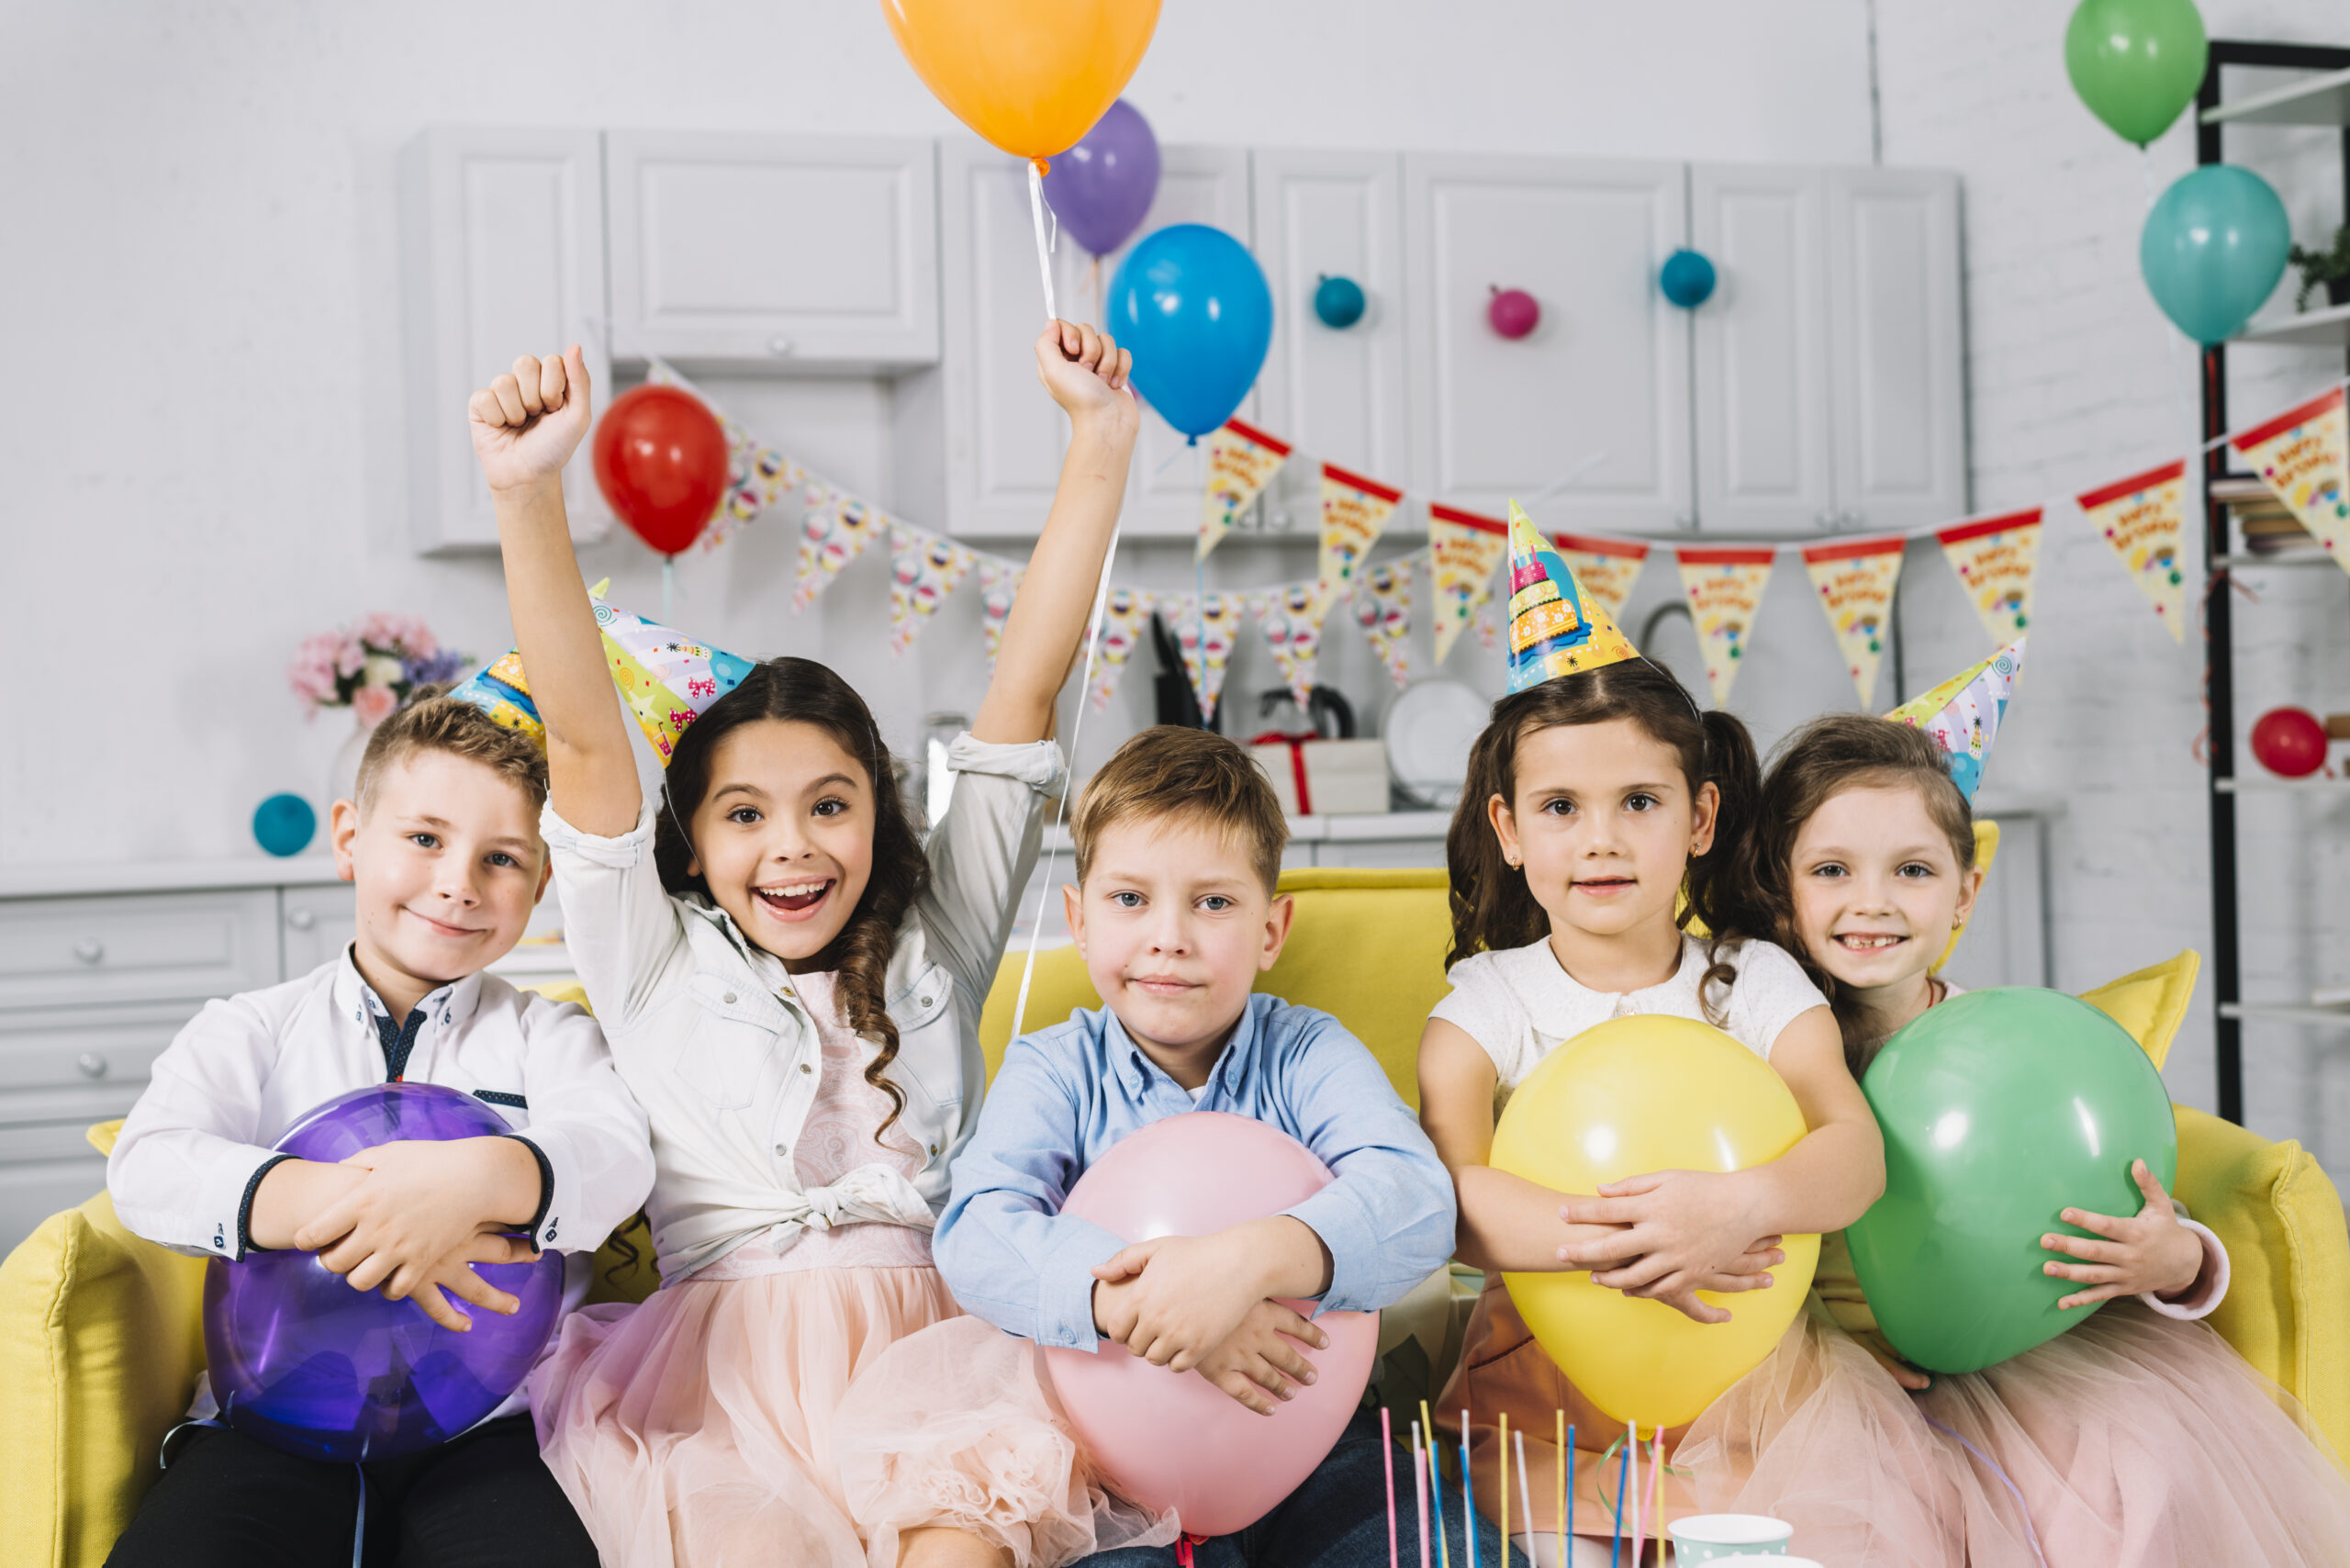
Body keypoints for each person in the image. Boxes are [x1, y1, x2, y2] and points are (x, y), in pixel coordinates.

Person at [478, 321, 1161, 1567]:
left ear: (879, 811)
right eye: (745, 815)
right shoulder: (651, 959)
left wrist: (1099, 443)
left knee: (961, 1539)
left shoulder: (932, 941)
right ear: (693, 838)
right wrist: (528, 491)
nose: (793, 848)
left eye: (829, 804)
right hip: (722, 1387)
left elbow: (1023, 697)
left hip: (943, 1369)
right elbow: (584, 745)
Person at [1415, 509, 1959, 1566]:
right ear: (1510, 830)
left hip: (1750, 1365)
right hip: (1548, 1379)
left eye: (1640, 801)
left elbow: (1849, 1148)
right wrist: (1634, 1240)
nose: (1603, 837)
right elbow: (1454, 1198)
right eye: (1562, 806)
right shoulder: (1482, 1004)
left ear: (1700, 819)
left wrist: (1734, 1208)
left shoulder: (1752, 980)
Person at [1747, 709, 2350, 1565]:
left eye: (1912, 870)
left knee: (2134, 1476)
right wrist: (1824, 1359)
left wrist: (2177, 1260)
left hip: (2027, 1357)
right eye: (1832, 870)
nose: (1871, 902)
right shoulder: (1770, 1048)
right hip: (1843, 1371)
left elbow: (2117, 1193)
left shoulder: (2015, 1052)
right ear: (1783, 888)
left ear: (1965, 891)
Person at [881, 723, 1491, 1568]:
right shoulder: (1055, 1067)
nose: (1170, 936)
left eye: (1213, 902)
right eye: (1131, 900)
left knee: (1440, 1549)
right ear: (1079, 921)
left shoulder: (1309, 1053)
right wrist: (1158, 1310)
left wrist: (1250, 1263)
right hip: (1106, 1463)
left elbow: (1418, 1199)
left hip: (1313, 1433)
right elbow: (979, 1234)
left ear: (1272, 930)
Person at [105, 691, 655, 1568]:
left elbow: (614, 1156)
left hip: (497, 1426)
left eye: (503, 858)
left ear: (541, 886)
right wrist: (370, 1208)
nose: (459, 883)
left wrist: (472, 1187)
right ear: (351, 838)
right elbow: (149, 1167)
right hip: (272, 1415)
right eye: (426, 838)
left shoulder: (549, 1036)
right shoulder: (251, 1026)